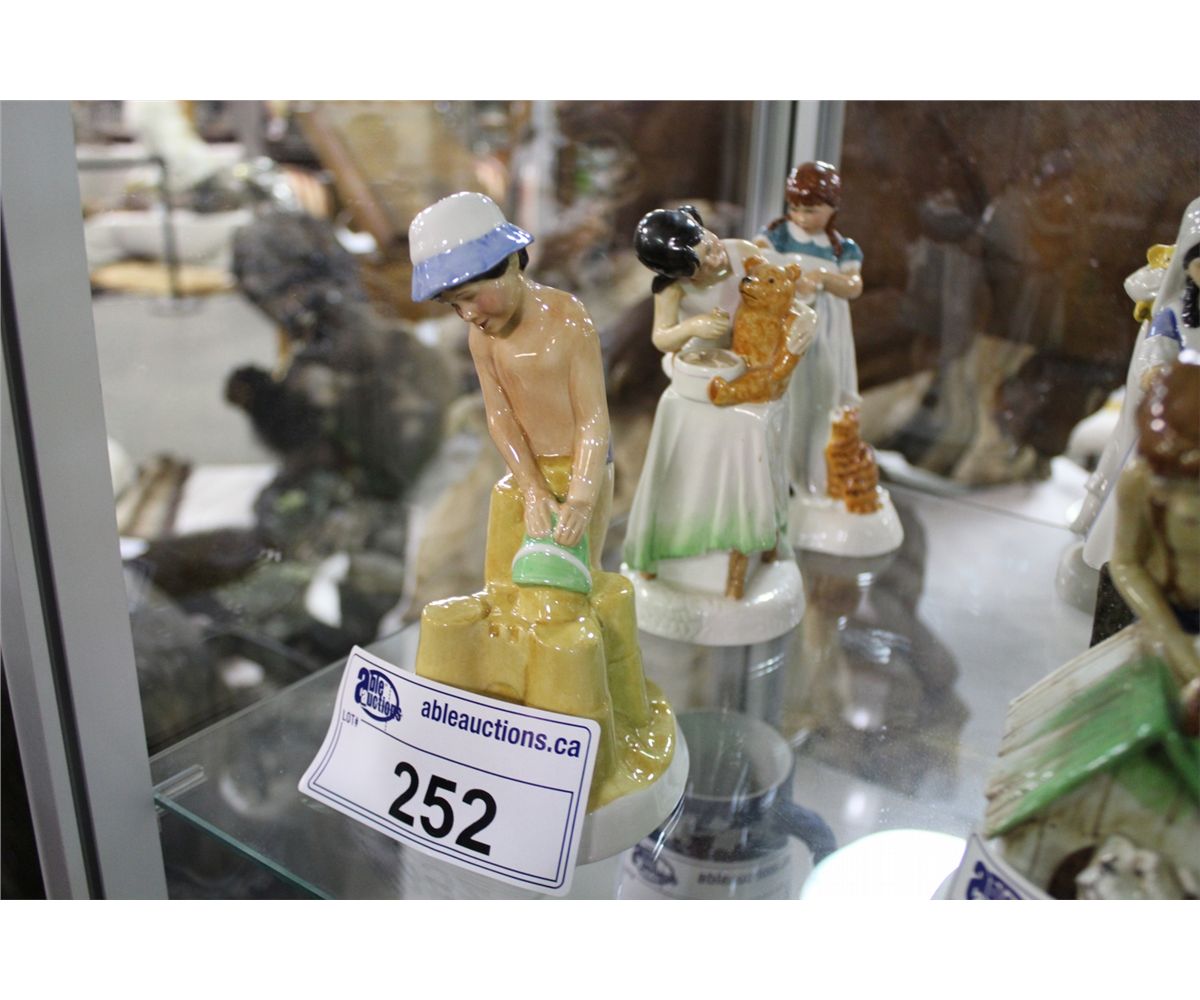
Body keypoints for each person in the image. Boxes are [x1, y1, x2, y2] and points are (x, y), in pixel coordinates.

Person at [409, 192, 611, 574]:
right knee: (506, 572)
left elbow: (592, 418)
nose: (467, 314)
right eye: (454, 305)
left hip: (583, 469)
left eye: (469, 297)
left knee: (574, 575)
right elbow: (500, 417)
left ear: (513, 263)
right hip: (524, 472)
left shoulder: (568, 318)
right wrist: (532, 487)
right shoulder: (481, 339)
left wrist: (582, 499)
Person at [756, 161, 863, 497]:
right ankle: (775, 475)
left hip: (825, 333)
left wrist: (826, 279)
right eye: (795, 208)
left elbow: (854, 285)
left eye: (811, 210)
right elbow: (756, 259)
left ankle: (814, 476)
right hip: (784, 324)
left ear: (831, 208)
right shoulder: (778, 235)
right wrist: (790, 277)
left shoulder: (842, 248)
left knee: (821, 398)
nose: (801, 217)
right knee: (783, 393)